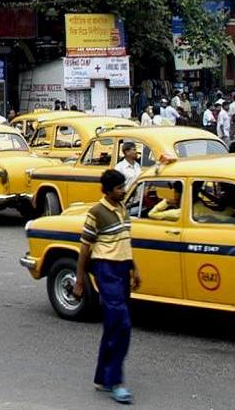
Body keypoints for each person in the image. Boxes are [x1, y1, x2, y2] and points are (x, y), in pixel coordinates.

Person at [72, 168, 139, 405]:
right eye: (119, 188)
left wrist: (134, 269)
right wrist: (80, 281)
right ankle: (115, 381)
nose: (123, 191)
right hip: (106, 270)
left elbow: (125, 242)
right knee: (122, 325)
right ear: (109, 190)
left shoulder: (122, 209)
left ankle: (102, 377)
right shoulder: (96, 212)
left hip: (122, 270)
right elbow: (84, 249)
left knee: (112, 327)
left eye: (123, 187)